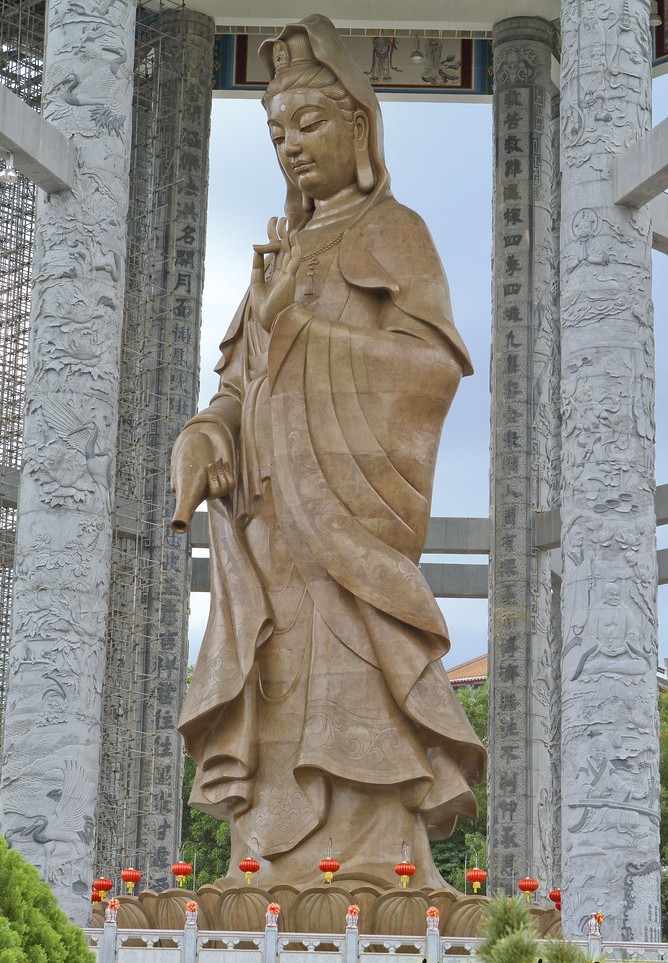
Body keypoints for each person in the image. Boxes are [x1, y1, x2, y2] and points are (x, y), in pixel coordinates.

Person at [170, 14, 485, 888]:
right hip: (270, 527)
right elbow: (239, 385)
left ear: (360, 127)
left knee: (353, 690)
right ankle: (264, 866)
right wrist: (204, 436)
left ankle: (377, 871)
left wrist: (300, 323)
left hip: (349, 521)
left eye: (310, 125)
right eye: (277, 132)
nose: (291, 148)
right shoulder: (277, 250)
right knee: (272, 684)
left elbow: (430, 370)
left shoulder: (396, 230)